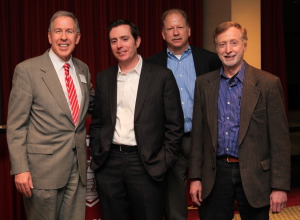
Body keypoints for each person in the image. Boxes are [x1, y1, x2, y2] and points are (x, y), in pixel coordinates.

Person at [189, 21, 291, 220]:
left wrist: (279, 185)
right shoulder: (204, 84)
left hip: (255, 177)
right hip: (215, 175)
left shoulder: (268, 84)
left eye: (234, 43)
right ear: (216, 48)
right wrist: (195, 178)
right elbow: (198, 137)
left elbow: (280, 140)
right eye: (222, 44)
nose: (228, 50)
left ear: (244, 45)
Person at [89, 19, 184, 220]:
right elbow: (98, 122)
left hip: (145, 164)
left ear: (137, 41)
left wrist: (162, 162)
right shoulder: (104, 78)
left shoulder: (161, 77)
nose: (119, 45)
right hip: (109, 163)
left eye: (125, 39)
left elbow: (174, 125)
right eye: (114, 41)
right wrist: (99, 156)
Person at [7, 11, 94, 220]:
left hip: (77, 169)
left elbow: (92, 105)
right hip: (41, 172)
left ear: (78, 37)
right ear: (49, 36)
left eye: (69, 31)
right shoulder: (27, 70)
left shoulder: (83, 69)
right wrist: (20, 169)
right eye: (58, 31)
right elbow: (16, 126)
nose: (64, 37)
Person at [146, 8, 221, 220]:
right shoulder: (152, 65)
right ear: (163, 34)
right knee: (174, 205)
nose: (176, 32)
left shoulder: (210, 61)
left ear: (188, 30)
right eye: (170, 28)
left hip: (204, 139)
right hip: (170, 142)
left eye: (180, 27)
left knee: (209, 198)